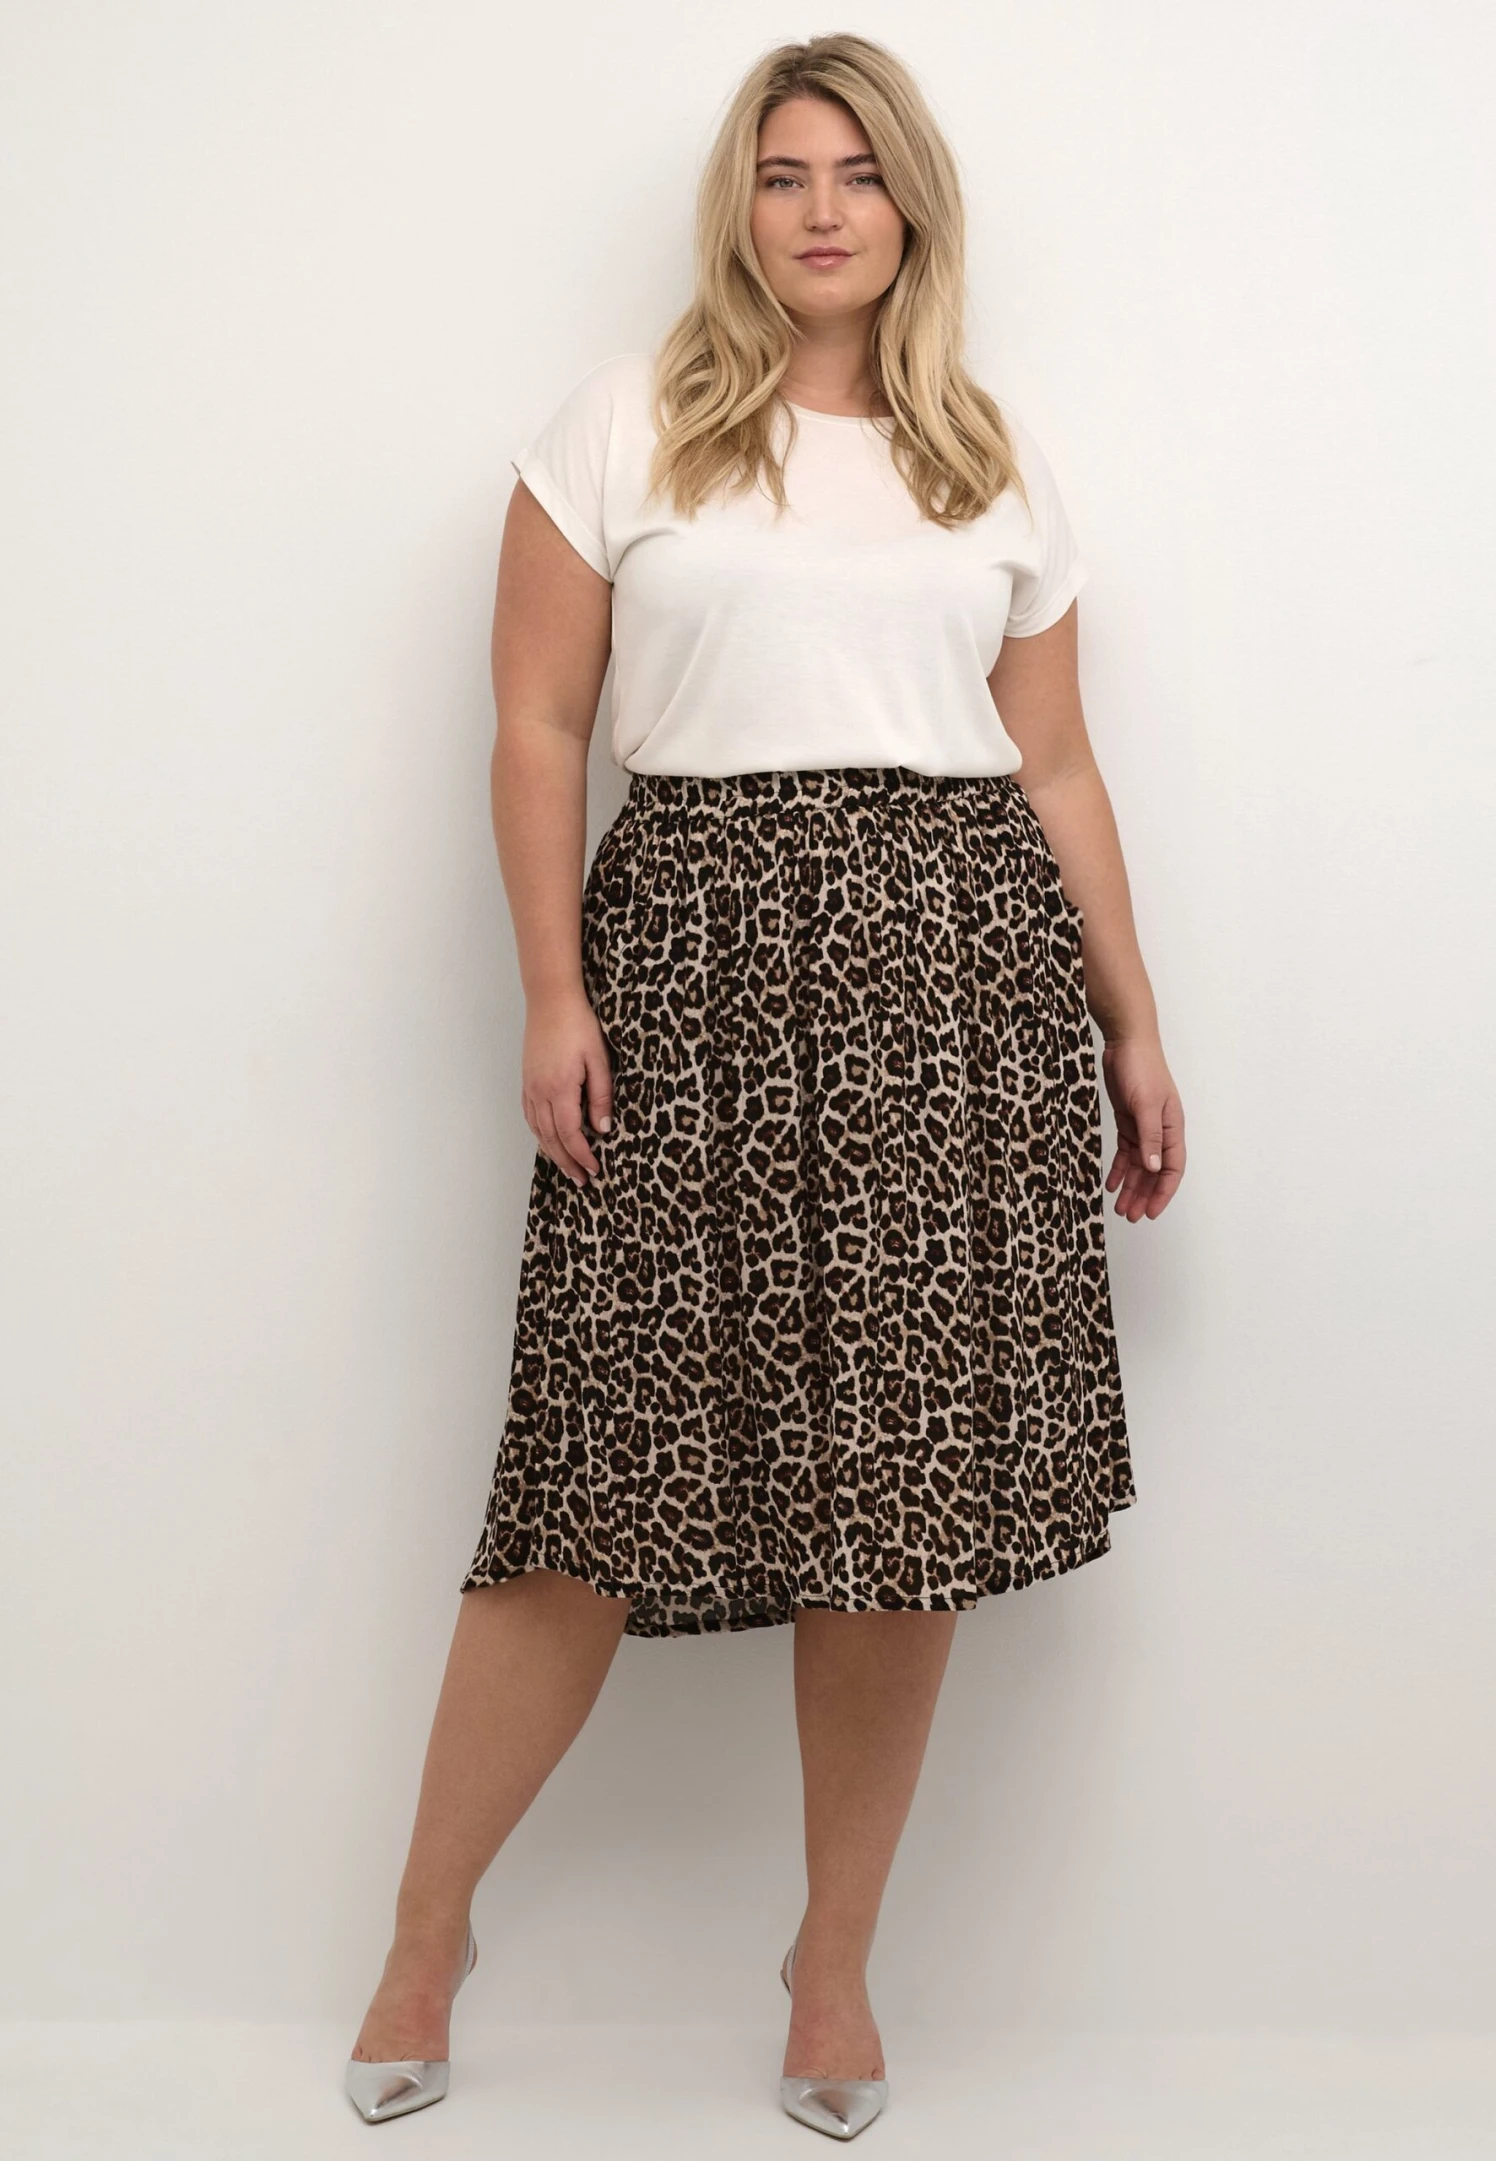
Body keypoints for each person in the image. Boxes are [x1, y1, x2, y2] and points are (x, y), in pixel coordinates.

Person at [346, 30, 1184, 2141]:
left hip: (956, 996)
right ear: (742, 206)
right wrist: (554, 989)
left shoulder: (989, 456)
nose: (822, 210)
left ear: (913, 209)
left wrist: (1132, 1021)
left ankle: (833, 1968)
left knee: (900, 1506)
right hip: (691, 970)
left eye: (859, 175)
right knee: (591, 1482)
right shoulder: (625, 423)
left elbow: (1057, 764)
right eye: (785, 174)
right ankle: (425, 1936)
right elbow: (541, 724)